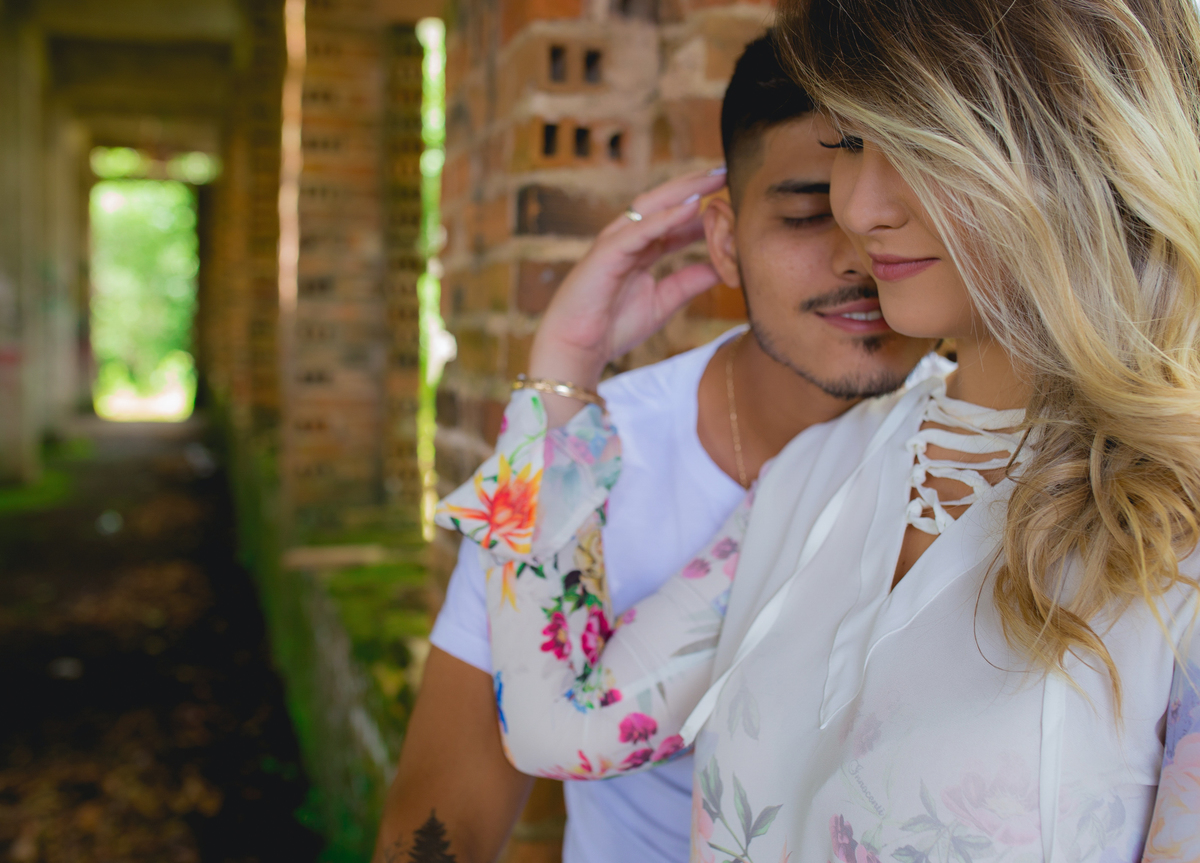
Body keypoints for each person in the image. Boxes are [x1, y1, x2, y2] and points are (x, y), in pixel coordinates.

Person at [437, 0, 1200, 860]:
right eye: (853, 142)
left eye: (920, 141)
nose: (861, 209)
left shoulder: (1177, 527)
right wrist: (564, 370)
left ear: (1079, 146)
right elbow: (560, 725)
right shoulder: (816, 471)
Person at [372, 34, 943, 863]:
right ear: (725, 239)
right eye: (808, 214)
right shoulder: (573, 463)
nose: (861, 255)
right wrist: (563, 370)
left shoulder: (1003, 444)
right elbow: (438, 822)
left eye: (901, 207)